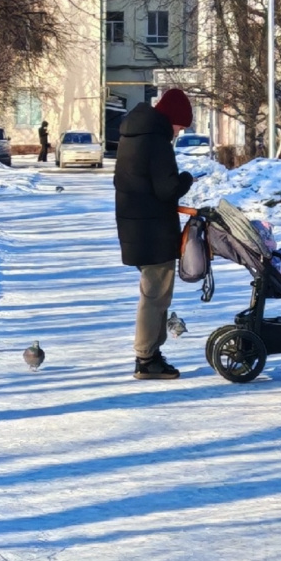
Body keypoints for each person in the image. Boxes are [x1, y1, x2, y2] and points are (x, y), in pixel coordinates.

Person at [115, 88, 195, 380]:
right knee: (155, 295)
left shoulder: (133, 134)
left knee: (153, 293)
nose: (179, 132)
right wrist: (187, 179)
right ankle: (146, 358)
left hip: (136, 226)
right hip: (153, 230)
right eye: (180, 126)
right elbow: (167, 189)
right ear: (171, 118)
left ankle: (150, 353)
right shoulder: (156, 141)